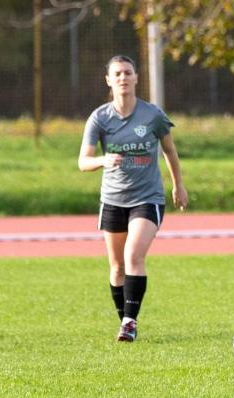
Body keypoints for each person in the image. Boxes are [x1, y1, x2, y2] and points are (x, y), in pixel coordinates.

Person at [78, 55, 188, 342]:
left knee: (133, 256)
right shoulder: (100, 118)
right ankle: (126, 320)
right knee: (116, 267)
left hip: (147, 197)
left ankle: (129, 321)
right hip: (113, 198)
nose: (123, 78)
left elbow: (170, 152)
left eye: (128, 73)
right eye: (117, 74)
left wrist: (178, 185)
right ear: (109, 80)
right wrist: (103, 160)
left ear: (137, 77)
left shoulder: (152, 115)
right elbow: (83, 162)